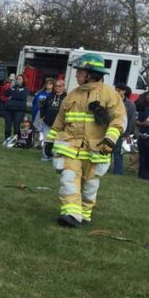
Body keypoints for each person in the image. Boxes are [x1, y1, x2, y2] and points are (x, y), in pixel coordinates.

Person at [42, 53, 126, 227]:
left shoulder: (110, 95)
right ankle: (71, 214)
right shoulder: (72, 94)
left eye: (80, 71)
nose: (76, 75)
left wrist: (110, 139)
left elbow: (119, 120)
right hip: (71, 147)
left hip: (96, 149)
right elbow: (59, 121)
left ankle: (85, 214)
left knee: (90, 186)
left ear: (90, 73)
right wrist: (49, 141)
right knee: (69, 178)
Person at [111, 83, 137, 175]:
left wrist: (129, 134)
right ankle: (105, 169)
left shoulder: (130, 104)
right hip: (110, 129)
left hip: (122, 131)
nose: (117, 92)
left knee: (118, 152)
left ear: (124, 91)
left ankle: (118, 171)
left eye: (119, 90)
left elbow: (132, 119)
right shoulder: (111, 101)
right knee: (107, 150)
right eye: (116, 90)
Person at [39, 78, 66, 161]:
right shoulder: (49, 96)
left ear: (63, 87)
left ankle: (56, 157)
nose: (57, 88)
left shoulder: (66, 98)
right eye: (56, 86)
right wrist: (42, 116)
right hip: (47, 123)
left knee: (58, 141)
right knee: (47, 139)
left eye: (59, 86)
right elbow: (42, 107)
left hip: (60, 125)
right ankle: (46, 156)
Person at [2, 75, 28, 140]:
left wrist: (13, 95)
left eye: (20, 79)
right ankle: (7, 139)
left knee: (17, 126)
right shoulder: (12, 87)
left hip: (19, 110)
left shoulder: (25, 88)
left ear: (23, 81)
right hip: (9, 109)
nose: (18, 80)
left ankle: (16, 140)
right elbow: (6, 93)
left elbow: (22, 97)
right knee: (7, 126)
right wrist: (11, 87)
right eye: (17, 79)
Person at [32, 78, 55, 145]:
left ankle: (43, 143)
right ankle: (36, 142)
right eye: (47, 83)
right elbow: (34, 102)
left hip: (46, 114)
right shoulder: (40, 93)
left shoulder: (52, 95)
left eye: (50, 84)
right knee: (36, 128)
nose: (48, 85)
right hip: (37, 112)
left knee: (44, 129)